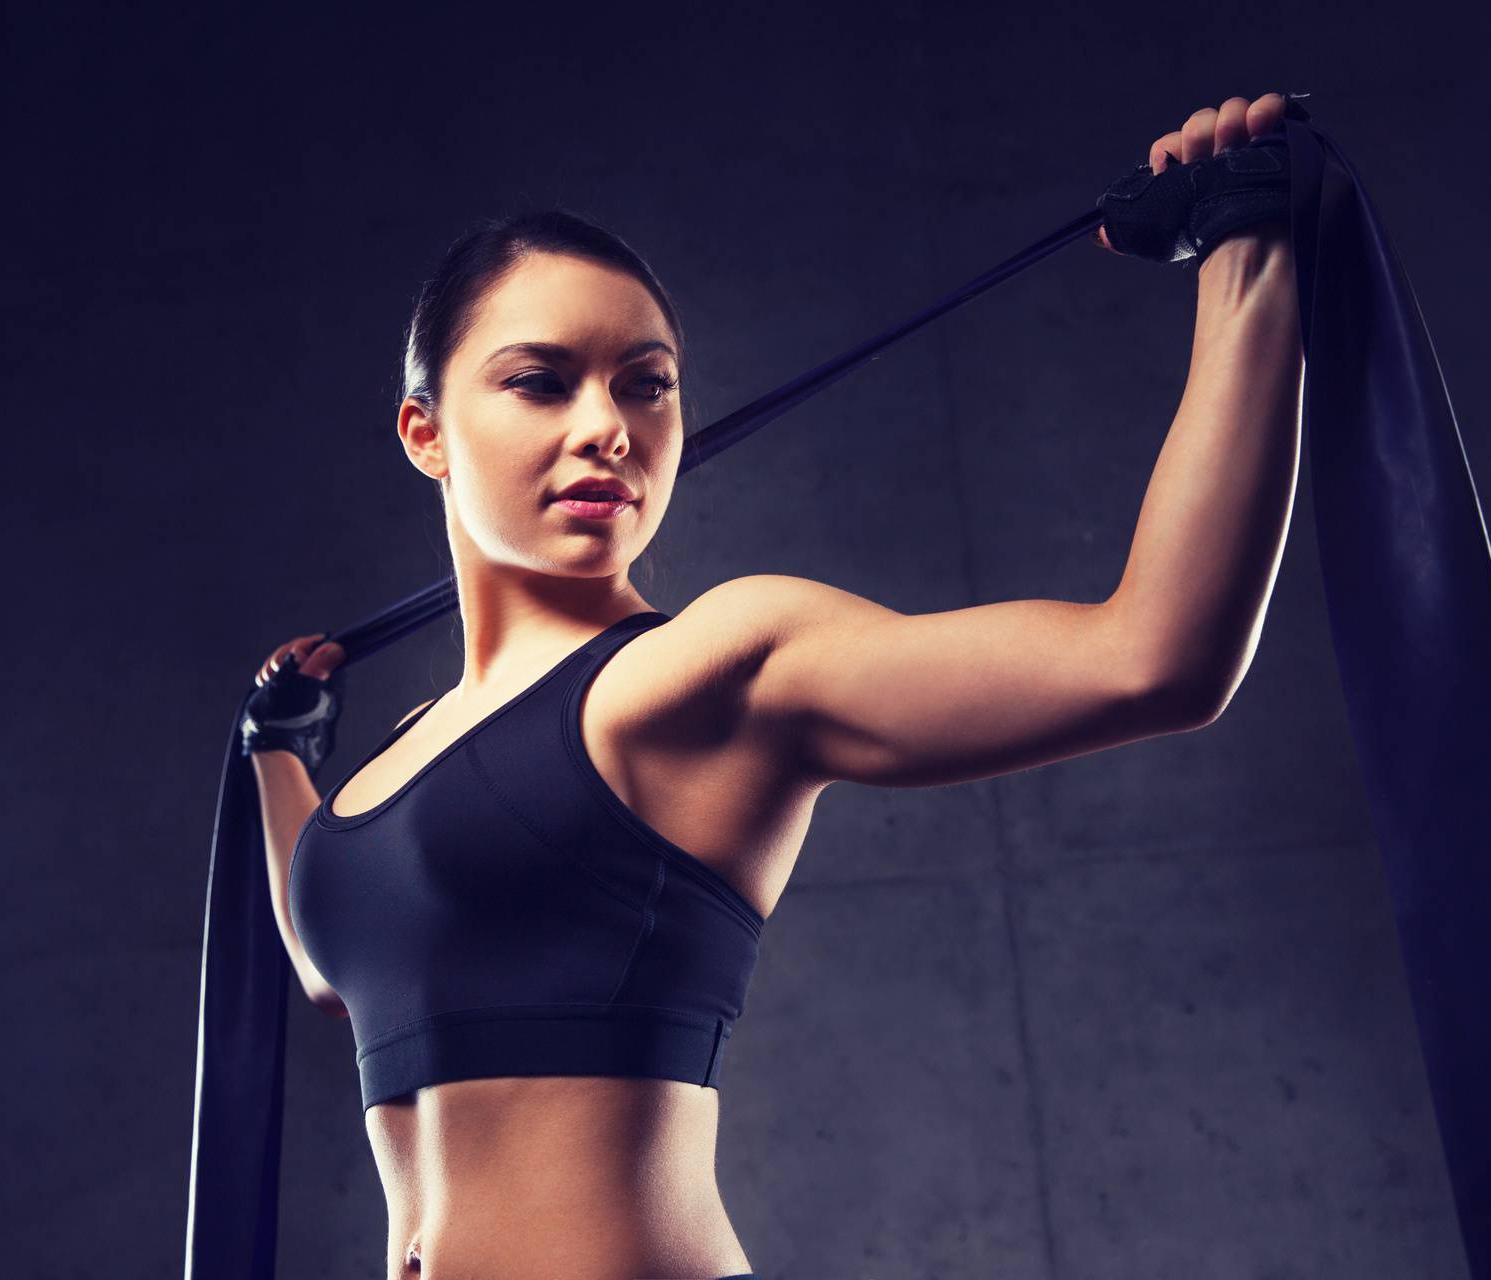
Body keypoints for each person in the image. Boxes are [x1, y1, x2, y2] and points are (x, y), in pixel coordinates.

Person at [241, 91, 1302, 1280]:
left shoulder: (712, 667)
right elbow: (331, 963)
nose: (609, 427)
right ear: (425, 432)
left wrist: (1246, 256)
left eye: (646, 383)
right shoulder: (399, 751)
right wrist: (282, 751)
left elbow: (1153, 658)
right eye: (541, 381)